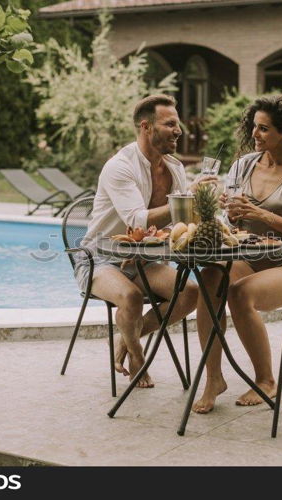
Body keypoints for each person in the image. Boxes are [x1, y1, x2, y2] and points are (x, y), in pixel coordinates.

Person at [192, 93, 282, 413]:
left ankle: (266, 380)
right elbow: (232, 221)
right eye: (254, 126)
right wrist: (228, 210)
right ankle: (213, 378)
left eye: (265, 128)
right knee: (209, 278)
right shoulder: (243, 165)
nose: (255, 134)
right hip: (250, 256)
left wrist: (259, 214)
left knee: (240, 294)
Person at [74, 94, 213, 388]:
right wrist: (187, 198)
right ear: (147, 127)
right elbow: (137, 219)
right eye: (170, 124)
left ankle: (125, 341)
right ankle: (137, 357)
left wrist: (206, 206)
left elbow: (178, 223)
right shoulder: (120, 166)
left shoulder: (174, 168)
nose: (179, 131)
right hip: (100, 257)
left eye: (179, 124)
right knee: (131, 297)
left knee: (190, 292)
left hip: (144, 260)